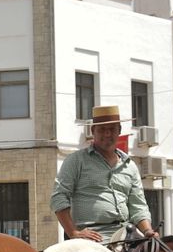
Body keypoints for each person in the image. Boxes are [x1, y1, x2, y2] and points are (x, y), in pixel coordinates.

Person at [50, 104, 157, 243]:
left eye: (112, 129)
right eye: (102, 130)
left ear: (119, 131)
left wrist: (148, 231)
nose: (107, 134)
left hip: (126, 236)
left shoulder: (130, 166)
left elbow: (138, 206)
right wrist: (74, 232)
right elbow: (59, 197)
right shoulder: (76, 161)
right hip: (91, 237)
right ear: (93, 131)